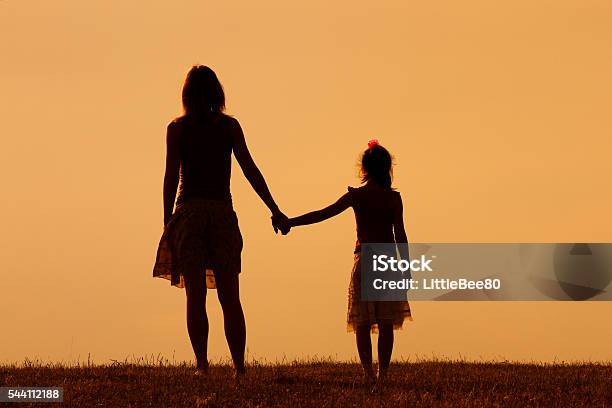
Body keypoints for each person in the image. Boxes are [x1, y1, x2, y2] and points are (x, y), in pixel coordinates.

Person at [153, 65, 288, 377]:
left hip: (188, 214)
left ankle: (203, 365)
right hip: (221, 215)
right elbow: (250, 170)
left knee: (195, 296)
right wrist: (274, 208)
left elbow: (170, 177)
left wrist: (167, 221)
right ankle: (238, 366)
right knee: (230, 296)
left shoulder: (178, 129)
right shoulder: (228, 127)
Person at [277, 140, 412, 384]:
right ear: (388, 168)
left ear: (364, 169)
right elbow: (400, 234)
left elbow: (322, 214)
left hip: (365, 259)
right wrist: (406, 266)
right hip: (388, 261)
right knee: (385, 322)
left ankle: (369, 374)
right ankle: (383, 373)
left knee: (362, 320)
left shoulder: (358, 196)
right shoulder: (393, 199)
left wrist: (291, 222)